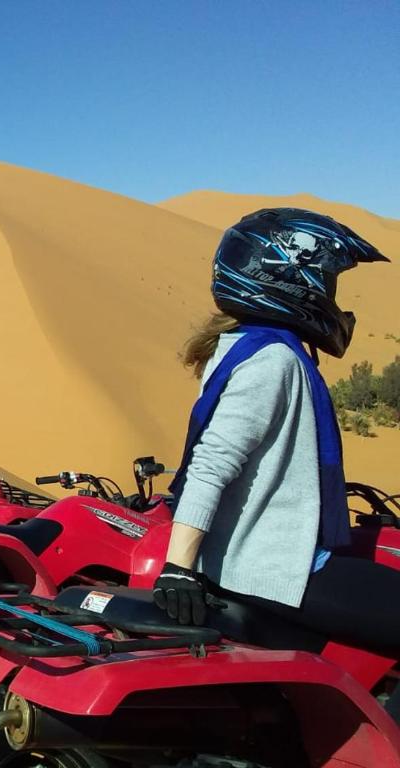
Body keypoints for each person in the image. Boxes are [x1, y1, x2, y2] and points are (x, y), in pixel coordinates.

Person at [152, 208, 400, 659]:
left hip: (254, 560)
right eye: (326, 281)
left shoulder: (241, 346)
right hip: (272, 568)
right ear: (292, 278)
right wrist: (177, 569)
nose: (332, 296)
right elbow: (213, 462)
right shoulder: (273, 361)